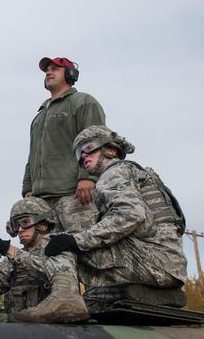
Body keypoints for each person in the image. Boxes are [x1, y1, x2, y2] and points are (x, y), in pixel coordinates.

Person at [44, 126, 188, 307]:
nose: (83, 157)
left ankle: (64, 302)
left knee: (54, 241)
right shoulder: (134, 172)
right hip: (170, 267)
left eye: (88, 148)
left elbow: (130, 214)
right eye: (79, 154)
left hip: (152, 262)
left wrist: (76, 241)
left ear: (110, 150)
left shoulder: (114, 172)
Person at [0, 197, 88, 323]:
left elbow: (56, 270)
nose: (20, 229)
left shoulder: (58, 246)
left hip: (56, 328)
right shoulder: (13, 258)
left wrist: (7, 249)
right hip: (21, 329)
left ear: (43, 224)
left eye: (25, 223)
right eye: (15, 225)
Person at [23, 56, 106, 235]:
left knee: (83, 248)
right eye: (47, 70)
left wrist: (88, 178)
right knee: (50, 258)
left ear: (70, 74)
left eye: (55, 69)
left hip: (73, 195)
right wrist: (28, 188)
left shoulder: (82, 102)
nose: (49, 72)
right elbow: (33, 155)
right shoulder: (39, 115)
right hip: (42, 201)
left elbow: (94, 141)